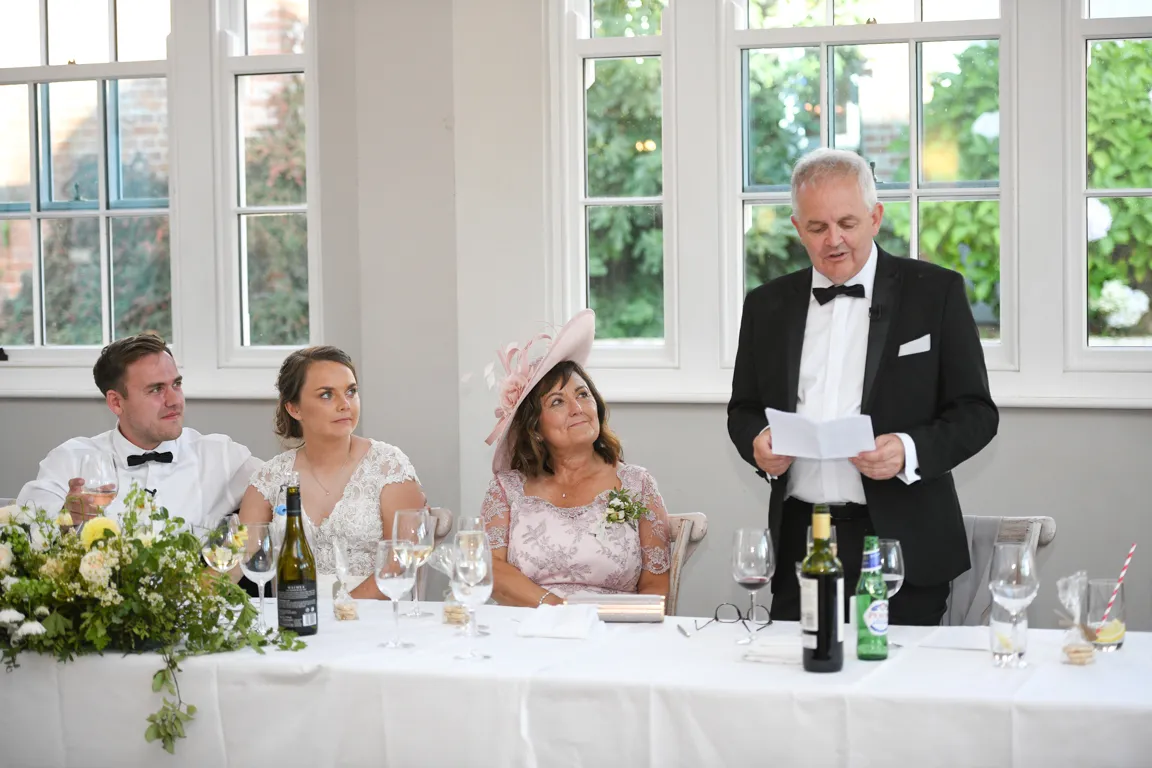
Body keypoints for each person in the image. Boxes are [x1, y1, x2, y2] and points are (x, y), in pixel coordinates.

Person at [727, 148, 999, 626]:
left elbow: (977, 412)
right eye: (817, 228)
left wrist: (908, 450)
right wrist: (757, 443)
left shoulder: (936, 293)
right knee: (799, 689)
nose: (834, 240)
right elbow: (744, 408)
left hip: (901, 544)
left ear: (875, 217)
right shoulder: (765, 305)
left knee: (897, 691)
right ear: (797, 228)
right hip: (801, 540)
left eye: (847, 223)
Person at [480, 310, 671, 608]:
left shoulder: (638, 485)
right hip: (528, 632)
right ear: (536, 428)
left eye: (583, 394)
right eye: (557, 401)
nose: (577, 407)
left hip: (614, 635)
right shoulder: (506, 491)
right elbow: (491, 570)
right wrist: (559, 609)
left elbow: (656, 587)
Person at [18, 334, 262, 529]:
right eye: (156, 389)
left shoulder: (219, 456)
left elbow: (287, 483)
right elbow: (23, 529)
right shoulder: (71, 461)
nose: (174, 400)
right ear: (116, 402)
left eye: (176, 384)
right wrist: (64, 519)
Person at [239, 346, 425, 599]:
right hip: (294, 621)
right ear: (294, 408)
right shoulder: (270, 477)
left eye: (351, 391)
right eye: (327, 395)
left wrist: (342, 612)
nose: (345, 404)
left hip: (374, 617)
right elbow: (237, 561)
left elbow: (402, 561)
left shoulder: (388, 466)